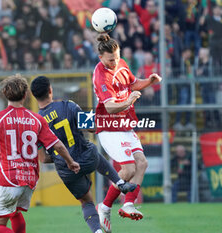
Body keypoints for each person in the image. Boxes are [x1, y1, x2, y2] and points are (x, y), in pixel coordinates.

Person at [30, 76, 136, 233]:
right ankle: (119, 182)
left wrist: (63, 158)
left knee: (87, 202)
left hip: (67, 169)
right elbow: (92, 128)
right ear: (50, 90)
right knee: (92, 149)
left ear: (34, 96)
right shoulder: (68, 105)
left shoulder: (36, 122)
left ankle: (97, 231)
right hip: (87, 157)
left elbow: (43, 158)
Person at [0, 74, 80, 233]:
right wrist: (70, 161)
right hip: (29, 179)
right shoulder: (37, 119)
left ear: (5, 94)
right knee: (15, 212)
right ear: (26, 95)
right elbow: (57, 145)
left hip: (7, 179)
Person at [92, 34, 161, 232]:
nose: (114, 62)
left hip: (125, 125)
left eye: (116, 57)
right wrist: (129, 101)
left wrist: (149, 81)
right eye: (110, 59)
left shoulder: (121, 63)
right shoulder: (100, 75)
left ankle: (128, 204)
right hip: (109, 127)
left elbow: (132, 83)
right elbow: (112, 107)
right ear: (101, 58)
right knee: (129, 170)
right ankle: (104, 207)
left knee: (142, 163)